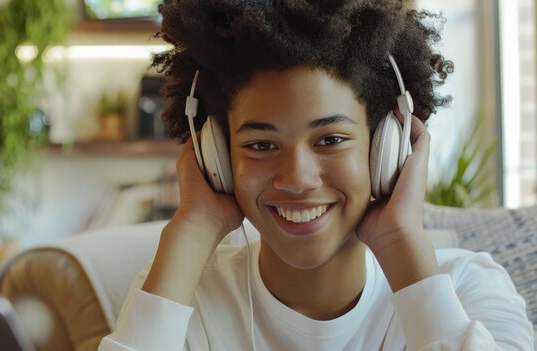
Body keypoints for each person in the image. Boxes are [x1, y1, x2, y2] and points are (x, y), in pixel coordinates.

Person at [99, 1, 534, 350]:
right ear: (217, 158)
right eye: (261, 145)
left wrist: (401, 240)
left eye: (330, 140)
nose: (297, 178)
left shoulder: (469, 290)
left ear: (387, 147)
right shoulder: (180, 293)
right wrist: (192, 229)